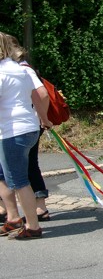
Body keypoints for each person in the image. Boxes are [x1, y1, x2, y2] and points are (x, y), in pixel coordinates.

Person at [0, 32, 52, 240]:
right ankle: (14, 219)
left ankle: (32, 226)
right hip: (29, 128)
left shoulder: (2, 73)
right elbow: (36, 96)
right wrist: (44, 119)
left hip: (12, 131)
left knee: (20, 181)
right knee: (13, 177)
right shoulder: (19, 69)